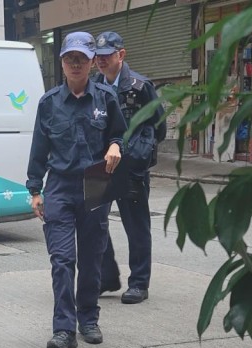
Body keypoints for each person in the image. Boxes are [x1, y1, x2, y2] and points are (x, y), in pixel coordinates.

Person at [26, 31, 127, 348]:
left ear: (91, 62)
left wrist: (114, 145)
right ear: (62, 62)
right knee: (62, 260)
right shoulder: (49, 103)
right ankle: (63, 330)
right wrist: (34, 189)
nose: (75, 64)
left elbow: (120, 135)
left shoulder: (105, 99)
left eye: (81, 58)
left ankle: (88, 319)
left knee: (91, 257)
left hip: (95, 183)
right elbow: (39, 150)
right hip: (59, 186)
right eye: (70, 58)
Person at [93, 31, 165, 305]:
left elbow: (158, 125)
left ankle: (138, 283)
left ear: (120, 54)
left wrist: (140, 153)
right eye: (98, 56)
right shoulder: (94, 85)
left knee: (136, 226)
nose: (101, 60)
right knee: (94, 222)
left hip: (131, 165)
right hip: (100, 165)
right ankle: (106, 277)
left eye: (107, 55)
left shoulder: (140, 86)